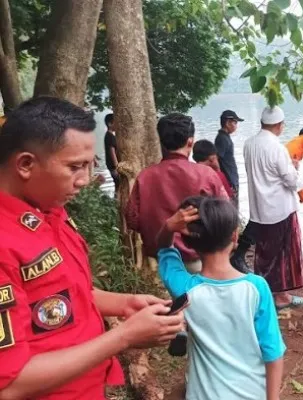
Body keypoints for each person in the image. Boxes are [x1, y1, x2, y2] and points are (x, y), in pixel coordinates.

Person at [0, 96, 184, 399]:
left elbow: (66, 294)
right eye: (75, 167)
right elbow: (10, 384)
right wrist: (123, 337)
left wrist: (124, 304)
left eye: (90, 165)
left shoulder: (48, 211)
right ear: (25, 164)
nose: (85, 180)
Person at [157, 196, 285, 400]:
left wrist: (169, 226)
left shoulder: (185, 289)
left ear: (190, 244)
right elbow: (272, 350)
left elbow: (164, 250)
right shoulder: (256, 288)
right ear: (235, 237)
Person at [125, 113, 228, 273]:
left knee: (177, 297)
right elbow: (226, 215)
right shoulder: (206, 174)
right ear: (190, 141)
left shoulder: (145, 176)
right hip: (200, 258)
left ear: (161, 142)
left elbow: (132, 220)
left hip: (162, 260)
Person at [242, 106, 303, 309]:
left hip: (259, 208)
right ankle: (282, 297)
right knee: (283, 255)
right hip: (280, 209)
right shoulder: (277, 148)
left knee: (264, 253)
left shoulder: (249, 144)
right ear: (279, 125)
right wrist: (294, 168)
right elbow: (292, 182)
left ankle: (265, 292)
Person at [215, 110, 244, 204]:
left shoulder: (225, 137)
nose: (236, 125)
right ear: (228, 123)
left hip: (231, 180)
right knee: (232, 209)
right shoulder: (222, 139)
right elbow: (216, 159)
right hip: (229, 181)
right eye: (235, 122)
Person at [103, 113, 121, 191]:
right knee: (119, 185)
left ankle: (116, 200)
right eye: (115, 123)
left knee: (118, 185)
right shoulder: (109, 137)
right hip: (113, 167)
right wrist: (117, 167)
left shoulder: (110, 136)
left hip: (111, 166)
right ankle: (117, 201)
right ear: (110, 124)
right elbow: (112, 152)